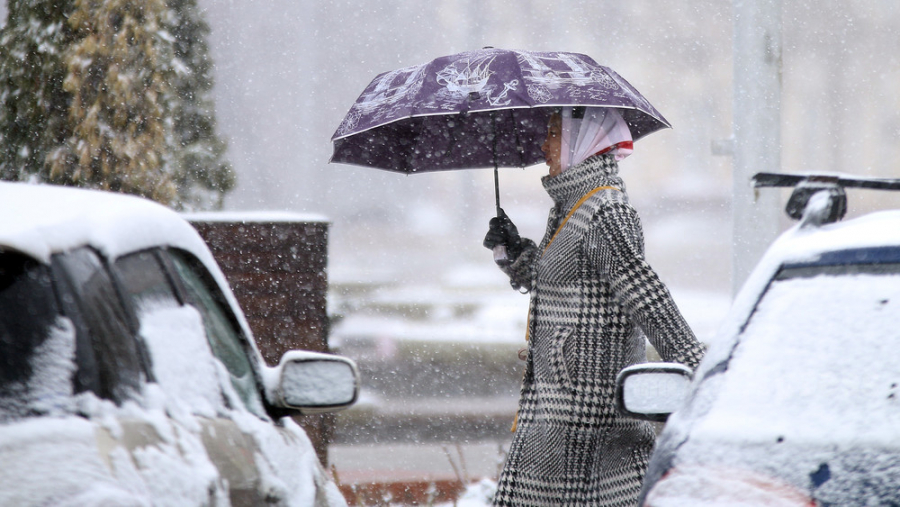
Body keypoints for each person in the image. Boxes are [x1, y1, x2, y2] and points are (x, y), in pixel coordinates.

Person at [483, 106, 705, 506]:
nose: (544, 144)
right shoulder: (573, 205)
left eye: (554, 134)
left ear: (580, 142)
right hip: (560, 407)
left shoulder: (604, 209)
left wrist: (701, 372)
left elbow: (645, 295)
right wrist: (514, 253)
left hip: (589, 415)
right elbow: (567, 282)